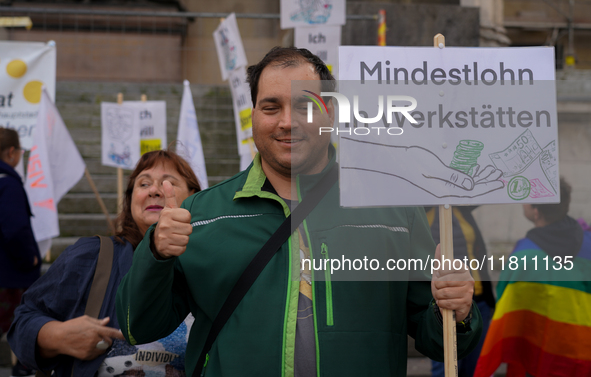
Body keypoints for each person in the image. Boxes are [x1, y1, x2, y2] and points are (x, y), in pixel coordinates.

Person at [116, 47, 483, 376]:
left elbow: (440, 341)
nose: (287, 121)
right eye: (271, 107)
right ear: (254, 116)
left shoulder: (392, 209)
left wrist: (456, 310)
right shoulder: (204, 213)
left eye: (306, 105)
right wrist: (156, 253)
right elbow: (140, 328)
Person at [8, 150, 201, 377]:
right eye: (144, 183)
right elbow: (22, 322)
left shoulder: (213, 266)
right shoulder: (90, 257)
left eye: (168, 182)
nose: (155, 191)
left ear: (194, 197)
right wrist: (58, 335)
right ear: (130, 200)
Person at [474, 178, 591, 377]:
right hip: (581, 350)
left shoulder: (523, 256)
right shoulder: (588, 243)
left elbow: (506, 302)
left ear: (536, 212)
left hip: (539, 353)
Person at [426, 206, 496, 377]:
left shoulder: (462, 209)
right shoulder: (421, 213)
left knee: (476, 368)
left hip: (478, 301)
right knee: (445, 369)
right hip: (442, 305)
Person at [0, 127, 41, 377]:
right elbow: (15, 229)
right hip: (10, 277)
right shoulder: (9, 184)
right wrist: (30, 258)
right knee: (22, 324)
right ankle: (22, 368)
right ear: (12, 152)